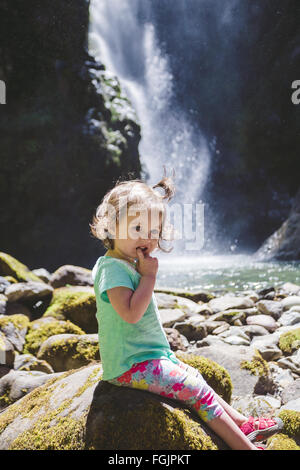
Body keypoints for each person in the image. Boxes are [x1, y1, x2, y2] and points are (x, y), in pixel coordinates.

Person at [89, 169, 283, 450]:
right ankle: (245, 447)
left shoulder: (128, 264)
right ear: (112, 226)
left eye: (154, 231)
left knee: (196, 378)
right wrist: (149, 277)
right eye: (138, 229)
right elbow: (130, 314)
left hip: (147, 357)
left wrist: (145, 275)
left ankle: (242, 423)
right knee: (194, 390)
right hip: (128, 366)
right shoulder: (112, 269)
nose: (148, 237)